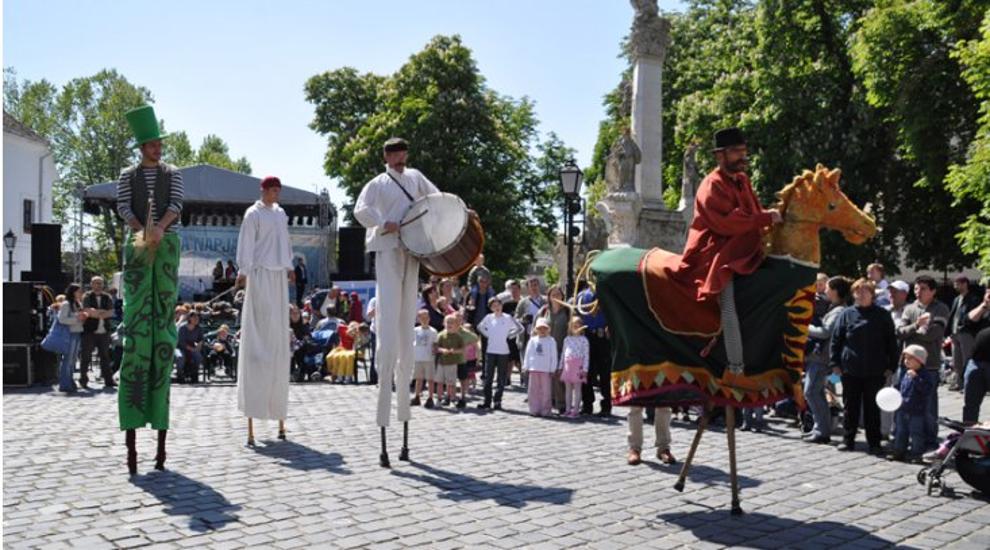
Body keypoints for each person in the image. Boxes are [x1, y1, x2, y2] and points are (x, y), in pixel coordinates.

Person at [354, 137, 440, 467]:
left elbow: (436, 198)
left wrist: (458, 212)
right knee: (389, 325)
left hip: (412, 249)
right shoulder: (377, 183)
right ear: (387, 156)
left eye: (404, 153)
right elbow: (361, 209)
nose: (401, 158)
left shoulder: (416, 177)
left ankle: (404, 416)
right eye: (395, 153)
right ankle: (384, 411)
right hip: (387, 247)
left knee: (406, 326)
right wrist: (382, 222)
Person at [668, 127, 782, 373]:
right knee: (728, 301)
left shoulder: (742, 180)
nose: (743, 156)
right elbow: (727, 223)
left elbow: (754, 212)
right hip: (716, 251)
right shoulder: (711, 185)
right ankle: (736, 365)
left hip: (745, 246)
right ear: (720, 156)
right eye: (736, 152)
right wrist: (764, 219)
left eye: (744, 151)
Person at [116, 105, 184, 475]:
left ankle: (159, 433)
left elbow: (176, 204)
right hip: (139, 244)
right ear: (142, 146)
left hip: (167, 244)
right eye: (152, 144)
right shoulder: (127, 175)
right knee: (138, 321)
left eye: (159, 143)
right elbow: (124, 206)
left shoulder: (173, 173)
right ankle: (132, 428)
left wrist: (161, 229)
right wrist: (142, 228)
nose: (157, 148)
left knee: (162, 319)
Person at [235, 175, 295, 446]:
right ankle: (253, 409)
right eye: (272, 190)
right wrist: (244, 270)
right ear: (263, 190)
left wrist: (290, 265)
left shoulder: (281, 214)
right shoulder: (253, 213)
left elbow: (286, 243)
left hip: (279, 275)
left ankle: (278, 411)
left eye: (278, 191)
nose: (276, 195)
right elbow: (246, 242)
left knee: (278, 336)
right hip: (259, 273)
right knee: (258, 333)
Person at [829, 278, 899, 454]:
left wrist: (892, 365)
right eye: (857, 292)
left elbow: (891, 341)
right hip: (850, 368)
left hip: (875, 370)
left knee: (872, 408)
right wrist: (835, 363)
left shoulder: (882, 314)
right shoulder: (846, 314)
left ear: (872, 294)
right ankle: (848, 439)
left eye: (864, 291)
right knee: (850, 406)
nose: (860, 295)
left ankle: (874, 442)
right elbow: (836, 340)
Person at [897, 275, 950, 450]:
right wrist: (916, 326)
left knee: (928, 406)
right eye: (916, 289)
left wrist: (912, 330)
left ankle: (930, 440)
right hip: (906, 364)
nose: (919, 292)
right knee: (904, 403)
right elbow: (900, 332)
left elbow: (933, 334)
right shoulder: (909, 308)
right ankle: (905, 439)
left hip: (930, 366)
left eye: (923, 289)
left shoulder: (941, 309)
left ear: (933, 291)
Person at [803, 276, 851, 444]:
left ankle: (822, 431)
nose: (825, 290)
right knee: (815, 393)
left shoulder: (838, 311)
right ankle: (820, 429)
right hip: (821, 357)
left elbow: (824, 332)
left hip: (822, 358)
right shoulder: (836, 307)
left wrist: (803, 327)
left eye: (828, 287)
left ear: (836, 291)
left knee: (811, 392)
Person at [477, 297, 524, 410]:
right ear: (491, 308)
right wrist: (489, 335)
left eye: (498, 305)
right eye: (494, 305)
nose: (497, 307)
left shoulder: (508, 317)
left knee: (501, 378)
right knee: (488, 377)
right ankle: (487, 401)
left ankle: (497, 400)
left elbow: (519, 328)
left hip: (503, 351)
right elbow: (480, 327)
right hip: (490, 351)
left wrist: (509, 335)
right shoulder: (488, 318)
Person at [887, 345, 932, 462]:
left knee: (916, 433)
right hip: (903, 408)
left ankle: (916, 454)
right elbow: (902, 386)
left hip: (916, 410)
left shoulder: (924, 374)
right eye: (905, 358)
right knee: (901, 431)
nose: (906, 361)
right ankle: (899, 451)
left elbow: (927, 390)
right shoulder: (906, 373)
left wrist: (917, 378)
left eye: (909, 359)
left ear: (919, 361)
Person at [577, 285, 611, 417]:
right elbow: (577, 313)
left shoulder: (607, 293)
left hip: (602, 336)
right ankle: (587, 404)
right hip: (587, 336)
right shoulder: (581, 295)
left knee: (604, 373)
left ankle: (606, 405)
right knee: (587, 371)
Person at [80, 276, 115, 389]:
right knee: (86, 356)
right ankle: (83, 380)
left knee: (105, 356)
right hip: (90, 331)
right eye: (95, 283)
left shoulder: (107, 297)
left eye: (100, 283)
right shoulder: (87, 296)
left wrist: (96, 312)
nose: (98, 285)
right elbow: (87, 312)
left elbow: (110, 313)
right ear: (91, 284)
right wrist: (100, 312)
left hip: (104, 331)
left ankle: (108, 380)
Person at [947, 276, 981, 391]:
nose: (955, 286)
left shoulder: (973, 299)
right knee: (956, 361)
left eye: (957, 283)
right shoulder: (956, 299)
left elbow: (972, 317)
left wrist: (965, 326)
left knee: (967, 359)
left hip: (966, 333)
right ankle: (959, 383)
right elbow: (953, 315)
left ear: (964, 284)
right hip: (955, 332)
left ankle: (969, 384)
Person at [962, 288, 990, 423]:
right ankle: (969, 437)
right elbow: (967, 321)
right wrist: (984, 305)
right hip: (976, 363)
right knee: (970, 405)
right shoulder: (982, 310)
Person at [541, 285, 571, 414]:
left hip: (561, 348)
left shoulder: (567, 311)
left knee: (559, 377)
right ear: (548, 296)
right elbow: (537, 326)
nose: (555, 297)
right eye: (553, 294)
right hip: (546, 349)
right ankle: (550, 400)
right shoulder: (544, 311)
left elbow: (572, 330)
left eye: (558, 294)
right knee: (548, 376)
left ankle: (562, 403)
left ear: (562, 296)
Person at [57, 283, 88, 393]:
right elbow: (61, 319)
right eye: (79, 291)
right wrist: (77, 318)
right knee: (68, 360)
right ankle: (65, 383)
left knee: (73, 360)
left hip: (77, 332)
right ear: (73, 292)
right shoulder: (66, 304)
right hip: (69, 334)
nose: (81, 293)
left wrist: (83, 318)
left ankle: (69, 381)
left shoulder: (77, 303)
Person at [515, 277, 545, 389]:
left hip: (542, 336)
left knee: (540, 363)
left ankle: (541, 389)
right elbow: (516, 318)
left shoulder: (545, 301)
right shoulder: (523, 302)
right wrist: (523, 319)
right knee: (526, 364)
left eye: (536, 284)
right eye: (531, 285)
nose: (534, 287)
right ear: (528, 287)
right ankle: (529, 389)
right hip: (526, 336)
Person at [524, 318, 558, 416]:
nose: (542, 331)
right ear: (536, 330)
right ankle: (534, 409)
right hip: (534, 368)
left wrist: (553, 368)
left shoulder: (551, 341)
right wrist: (526, 366)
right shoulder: (532, 340)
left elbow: (554, 356)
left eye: (544, 328)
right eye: (540, 328)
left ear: (548, 329)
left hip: (546, 369)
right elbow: (528, 354)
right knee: (533, 391)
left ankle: (545, 410)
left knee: (546, 391)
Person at [559, 316, 589, 418]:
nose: (576, 328)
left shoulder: (584, 340)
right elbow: (563, 353)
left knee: (577, 388)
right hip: (568, 366)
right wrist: (560, 366)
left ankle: (576, 409)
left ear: (581, 327)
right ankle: (568, 409)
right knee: (568, 389)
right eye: (573, 326)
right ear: (570, 327)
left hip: (578, 366)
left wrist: (585, 369)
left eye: (578, 326)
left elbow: (586, 355)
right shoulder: (567, 339)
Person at [435, 314, 465, 409]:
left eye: (452, 323)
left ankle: (452, 399)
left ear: (456, 325)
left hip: (452, 364)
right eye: (447, 322)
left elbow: (462, 350)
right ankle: (439, 399)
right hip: (441, 363)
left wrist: (454, 351)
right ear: (444, 323)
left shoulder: (458, 337)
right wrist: (442, 350)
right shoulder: (440, 335)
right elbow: (435, 348)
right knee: (440, 382)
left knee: (451, 383)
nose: (449, 324)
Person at [412, 310, 438, 407]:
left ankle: (430, 397)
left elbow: (435, 344)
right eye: (422, 318)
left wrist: (435, 351)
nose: (424, 320)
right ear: (419, 319)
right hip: (418, 357)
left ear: (429, 318)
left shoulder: (433, 331)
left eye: (426, 318)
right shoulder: (415, 330)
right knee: (418, 379)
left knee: (430, 379)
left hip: (429, 358)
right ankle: (417, 396)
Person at [455, 322, 480, 409]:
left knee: (471, 374)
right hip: (463, 359)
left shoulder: (472, 338)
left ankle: (472, 386)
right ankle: (466, 388)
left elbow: (477, 349)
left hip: (471, 360)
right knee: (465, 376)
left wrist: (478, 358)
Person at [176, 311, 205, 384]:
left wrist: (199, 345)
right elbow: (181, 342)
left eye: (197, 317)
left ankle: (194, 374)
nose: (196, 319)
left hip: (192, 346)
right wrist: (192, 349)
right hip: (180, 347)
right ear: (189, 318)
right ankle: (180, 375)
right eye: (194, 317)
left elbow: (200, 339)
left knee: (198, 357)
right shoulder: (182, 328)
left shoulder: (199, 328)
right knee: (180, 357)